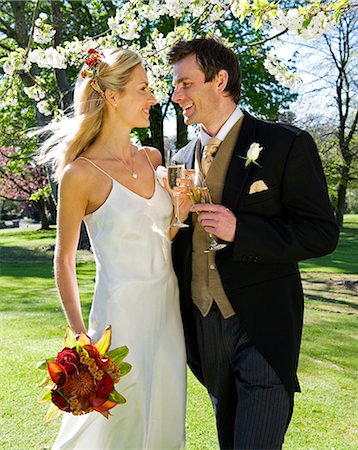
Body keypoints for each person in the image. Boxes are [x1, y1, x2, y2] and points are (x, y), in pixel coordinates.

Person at [168, 37, 339, 449]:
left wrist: (240, 230)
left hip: (263, 325)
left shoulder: (285, 144)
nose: (176, 96)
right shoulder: (181, 157)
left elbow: (321, 232)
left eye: (186, 83)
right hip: (204, 324)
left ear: (220, 79)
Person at [40, 48, 186, 449]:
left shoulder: (153, 158)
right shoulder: (80, 173)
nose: (154, 99)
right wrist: (79, 334)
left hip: (166, 312)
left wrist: (178, 216)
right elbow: (64, 259)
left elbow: (157, 240)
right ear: (113, 96)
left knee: (164, 416)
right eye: (144, 89)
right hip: (118, 320)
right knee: (115, 427)